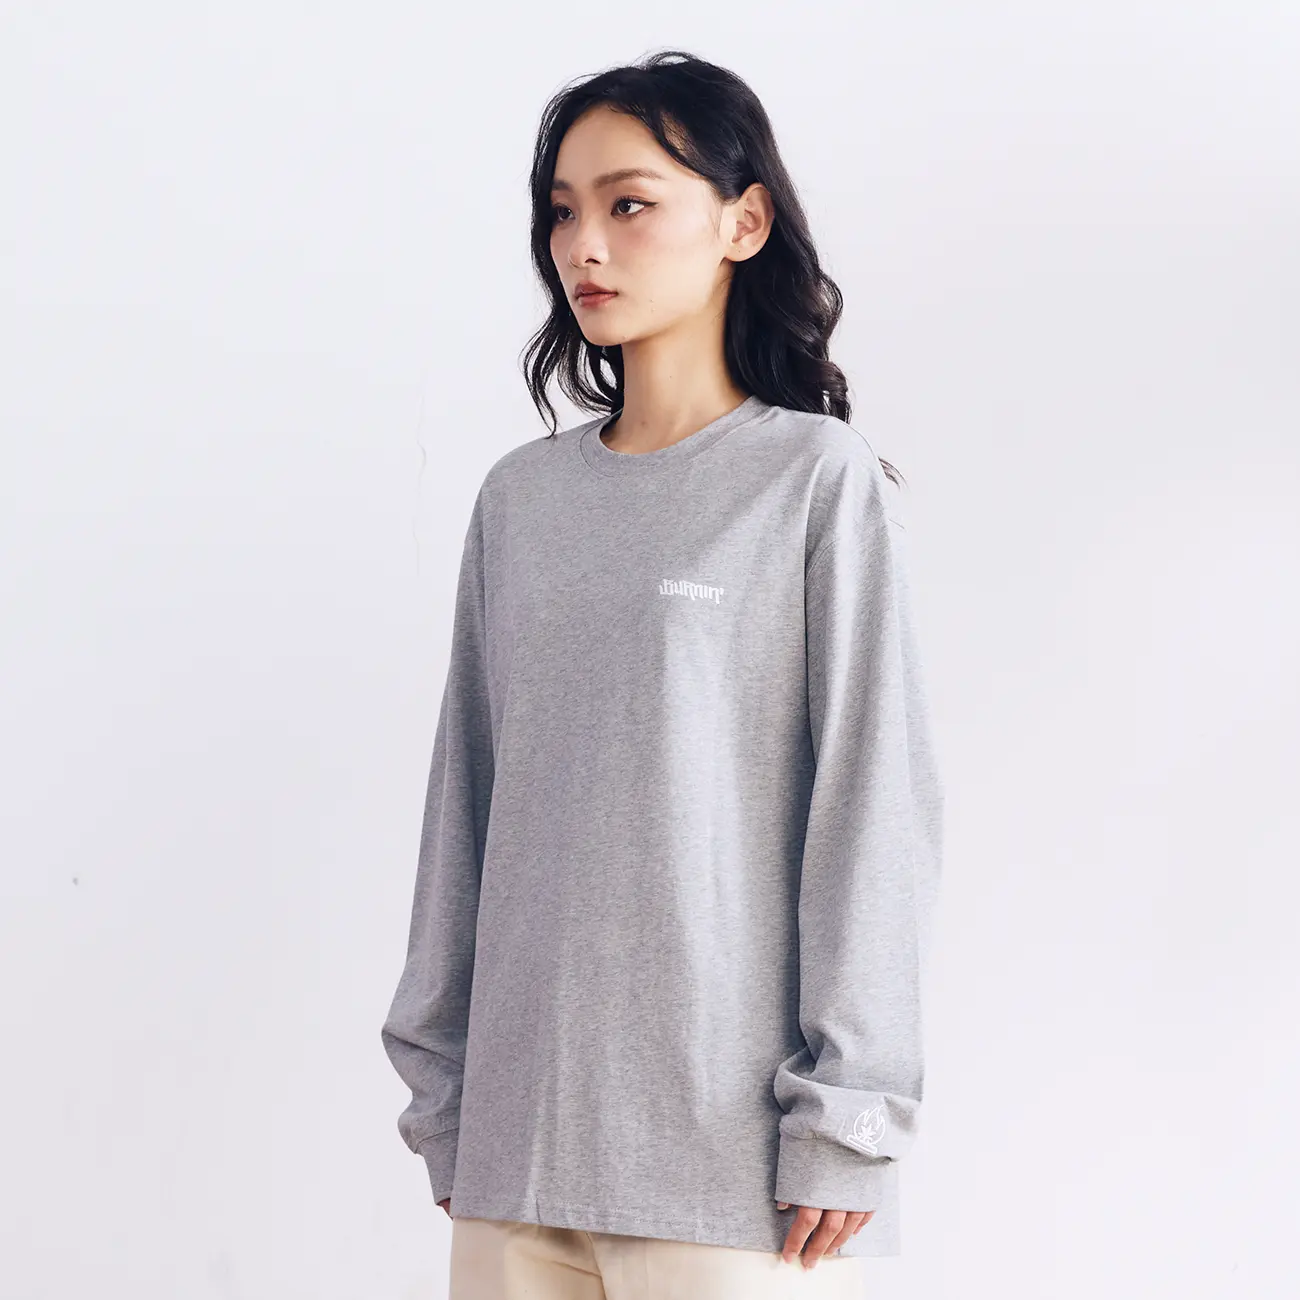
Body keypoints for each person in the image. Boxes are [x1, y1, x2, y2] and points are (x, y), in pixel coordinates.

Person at [381, 48, 945, 1300]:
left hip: (728, 1175)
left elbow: (873, 811)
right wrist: (446, 1100)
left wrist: (849, 1115)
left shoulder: (812, 480)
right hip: (514, 1158)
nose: (583, 245)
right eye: (562, 211)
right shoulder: (521, 500)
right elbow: (464, 805)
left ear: (743, 222)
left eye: (628, 203)